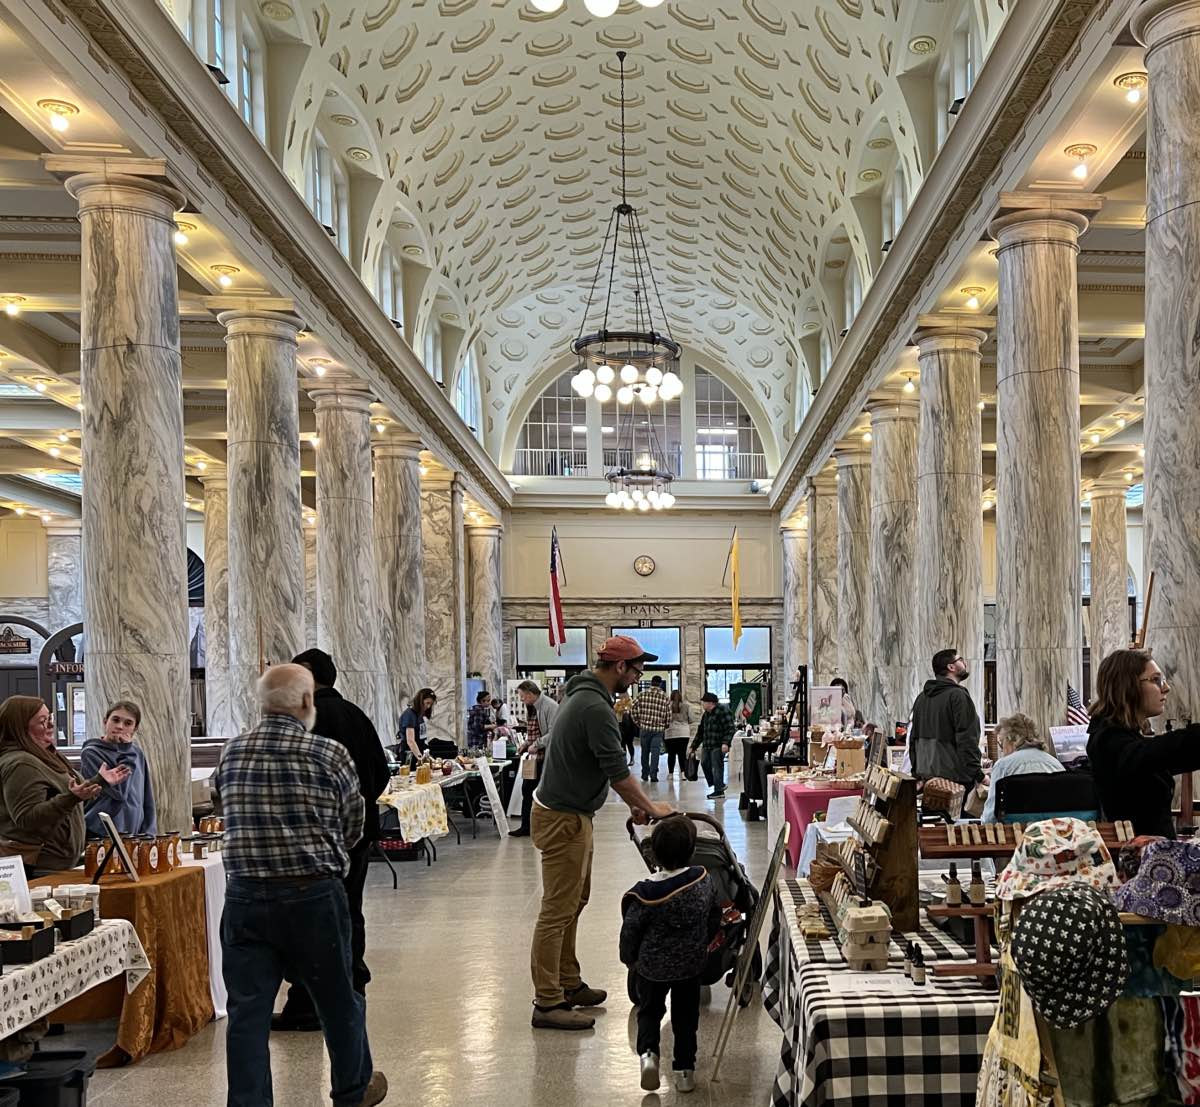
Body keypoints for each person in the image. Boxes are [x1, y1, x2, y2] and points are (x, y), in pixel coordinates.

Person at [215, 663, 387, 1107]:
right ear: (307, 702)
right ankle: (352, 1090)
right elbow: (355, 823)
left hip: (246, 895)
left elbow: (222, 804)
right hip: (312, 894)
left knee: (248, 1012)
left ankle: (249, 1101)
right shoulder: (328, 754)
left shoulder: (233, 752)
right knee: (336, 1000)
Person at [530, 635, 673, 1031]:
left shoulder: (589, 698)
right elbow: (618, 772)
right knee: (557, 909)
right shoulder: (594, 706)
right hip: (563, 817)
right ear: (620, 668)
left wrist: (633, 804)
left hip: (572, 813)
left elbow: (603, 766)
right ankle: (547, 1001)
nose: (640, 674)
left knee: (574, 902)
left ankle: (568, 982)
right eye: (637, 667)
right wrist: (649, 807)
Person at [273, 648, 392, 1033]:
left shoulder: (309, 721)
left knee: (311, 921)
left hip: (316, 839)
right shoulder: (356, 714)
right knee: (349, 910)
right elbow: (379, 773)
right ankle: (352, 985)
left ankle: (307, 1006)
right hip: (357, 835)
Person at [620, 816, 720, 1094]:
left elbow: (630, 931)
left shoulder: (645, 894)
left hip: (652, 967)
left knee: (650, 1012)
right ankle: (684, 1071)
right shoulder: (702, 880)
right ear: (691, 852)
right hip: (690, 964)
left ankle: (649, 1056)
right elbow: (714, 914)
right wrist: (705, 940)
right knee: (686, 1019)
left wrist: (630, 958)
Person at [0, 696, 128, 875]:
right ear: (21, 727)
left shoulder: (44, 754)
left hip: (60, 863)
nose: (51, 726)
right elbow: (27, 819)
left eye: (50, 719)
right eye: (42, 722)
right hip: (39, 867)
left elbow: (68, 791)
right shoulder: (21, 763)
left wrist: (99, 781)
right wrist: (72, 798)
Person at [1088, 647, 1200, 838]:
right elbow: (1159, 752)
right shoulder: (1108, 740)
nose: (1166, 687)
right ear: (1127, 686)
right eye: (1156, 680)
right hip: (1137, 861)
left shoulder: (1123, 736)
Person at [908, 648, 983, 790]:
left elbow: (913, 739)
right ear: (951, 667)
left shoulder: (921, 698)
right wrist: (978, 774)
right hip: (955, 780)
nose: (965, 663)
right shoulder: (958, 696)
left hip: (927, 777)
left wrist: (917, 773)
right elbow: (967, 739)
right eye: (960, 660)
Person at [81, 700, 157, 838]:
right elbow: (120, 792)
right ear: (105, 722)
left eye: (128, 723)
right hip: (101, 832)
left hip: (133, 834)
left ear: (135, 729)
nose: (120, 726)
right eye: (115, 720)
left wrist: (149, 831)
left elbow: (146, 795)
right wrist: (125, 750)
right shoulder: (91, 752)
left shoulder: (136, 753)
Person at [980, 712, 1064, 823]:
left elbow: (990, 818)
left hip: (1013, 833)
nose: (1002, 749)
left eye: (1001, 743)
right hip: (1049, 831)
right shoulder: (1056, 764)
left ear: (1012, 740)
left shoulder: (1003, 765)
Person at [510, 680, 559, 839]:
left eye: (523, 697)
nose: (522, 700)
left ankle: (542, 827)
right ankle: (527, 826)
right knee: (527, 790)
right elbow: (534, 732)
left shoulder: (550, 706)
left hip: (546, 757)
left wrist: (536, 745)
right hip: (535, 757)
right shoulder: (533, 707)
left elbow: (553, 732)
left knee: (541, 793)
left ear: (531, 694)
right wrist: (526, 743)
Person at [690, 692, 734, 800]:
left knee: (717, 767)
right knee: (704, 763)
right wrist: (693, 746)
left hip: (718, 745)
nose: (702, 704)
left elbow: (730, 728)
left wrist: (725, 743)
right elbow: (701, 732)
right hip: (707, 744)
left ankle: (718, 791)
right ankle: (718, 784)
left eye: (704, 702)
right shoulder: (706, 714)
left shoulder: (723, 711)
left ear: (710, 703)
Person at [632, 676, 671, 784]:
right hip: (658, 729)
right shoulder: (664, 697)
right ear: (659, 684)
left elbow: (633, 709)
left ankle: (644, 774)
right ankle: (653, 775)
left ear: (651, 683)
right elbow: (668, 714)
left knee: (644, 752)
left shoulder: (642, 694)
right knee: (655, 752)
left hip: (644, 728)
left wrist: (638, 722)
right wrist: (666, 725)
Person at [398, 688, 436, 764]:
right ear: (420, 701)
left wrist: (430, 758)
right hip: (410, 756)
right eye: (427, 703)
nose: (428, 707)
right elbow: (411, 741)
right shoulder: (409, 715)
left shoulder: (419, 715)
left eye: (430, 704)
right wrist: (421, 759)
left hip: (420, 751)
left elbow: (421, 740)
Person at [664, 690, 693, 776]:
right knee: (682, 754)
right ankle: (683, 773)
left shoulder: (666, 706)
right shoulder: (687, 706)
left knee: (671, 754)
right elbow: (692, 719)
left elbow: (664, 719)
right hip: (683, 733)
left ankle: (670, 773)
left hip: (670, 733)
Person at [615, 692, 637, 765]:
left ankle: (632, 759)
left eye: (621, 695)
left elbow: (626, 709)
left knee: (629, 743)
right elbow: (614, 710)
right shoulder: (618, 703)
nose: (620, 696)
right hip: (621, 725)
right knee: (622, 743)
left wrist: (621, 708)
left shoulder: (631, 702)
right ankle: (624, 759)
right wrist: (621, 707)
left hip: (630, 726)